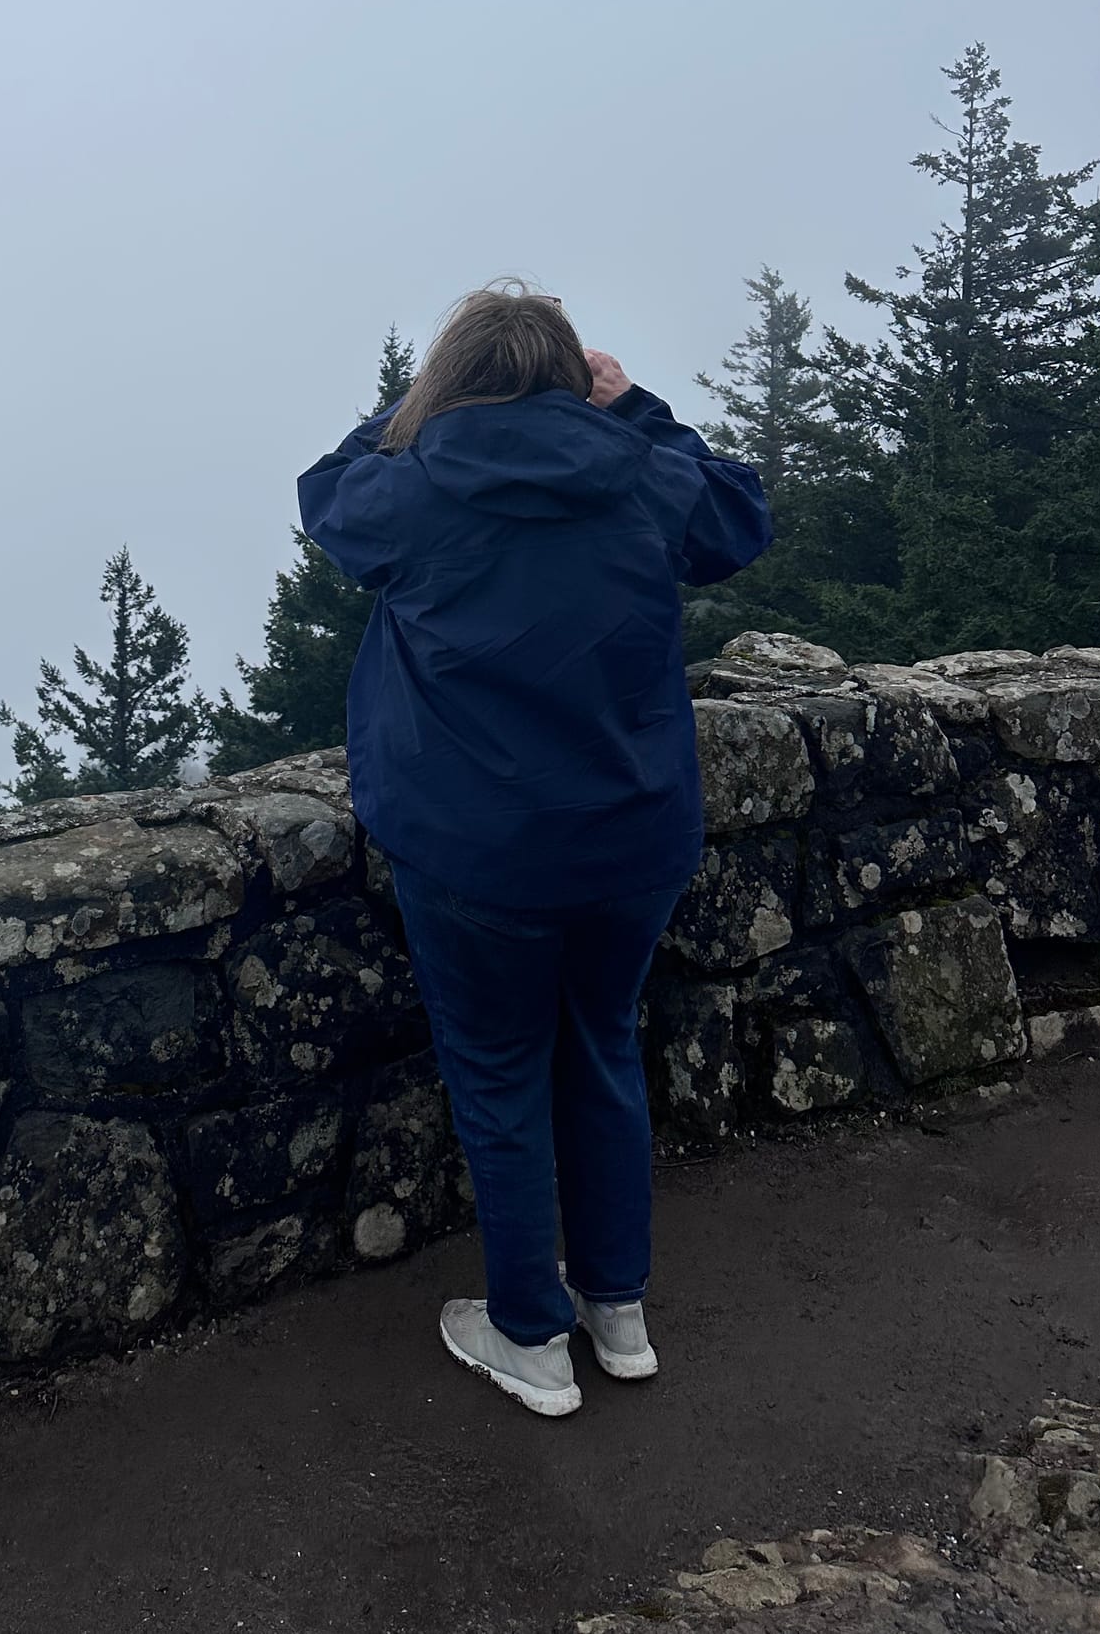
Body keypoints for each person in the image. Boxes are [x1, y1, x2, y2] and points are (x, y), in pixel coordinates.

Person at [297, 283, 771, 1419]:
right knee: (600, 1045)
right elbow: (737, 517)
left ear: (452, 381)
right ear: (571, 380)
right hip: (631, 839)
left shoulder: (416, 486)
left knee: (500, 1071)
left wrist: (410, 406)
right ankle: (617, 1311)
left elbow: (325, 494)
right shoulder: (638, 471)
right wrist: (634, 405)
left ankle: (528, 1336)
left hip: (475, 849)